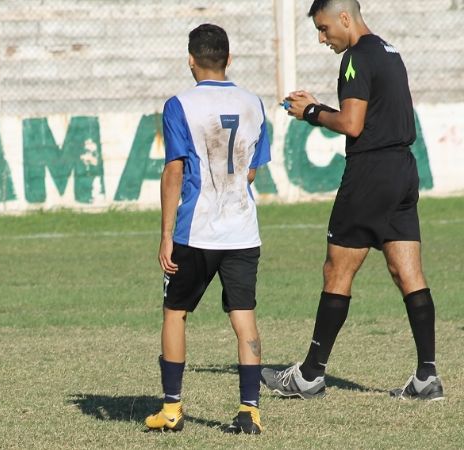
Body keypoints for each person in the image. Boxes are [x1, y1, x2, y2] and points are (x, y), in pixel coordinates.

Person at [261, 0, 443, 401]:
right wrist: (321, 107)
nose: (322, 38)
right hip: (402, 171)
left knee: (337, 271)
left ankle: (309, 376)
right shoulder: (389, 51)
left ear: (346, 18)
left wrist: (311, 112)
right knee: (407, 273)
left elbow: (352, 124)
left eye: (325, 29)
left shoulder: (355, 58)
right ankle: (427, 376)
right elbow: (370, 115)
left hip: (369, 174)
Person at [145, 24, 271, 434]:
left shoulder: (179, 104)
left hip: (195, 232)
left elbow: (174, 171)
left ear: (190, 59)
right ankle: (249, 411)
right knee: (244, 317)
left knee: (175, 313)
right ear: (229, 59)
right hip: (242, 231)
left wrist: (166, 234)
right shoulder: (254, 104)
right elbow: (251, 171)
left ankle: (171, 408)